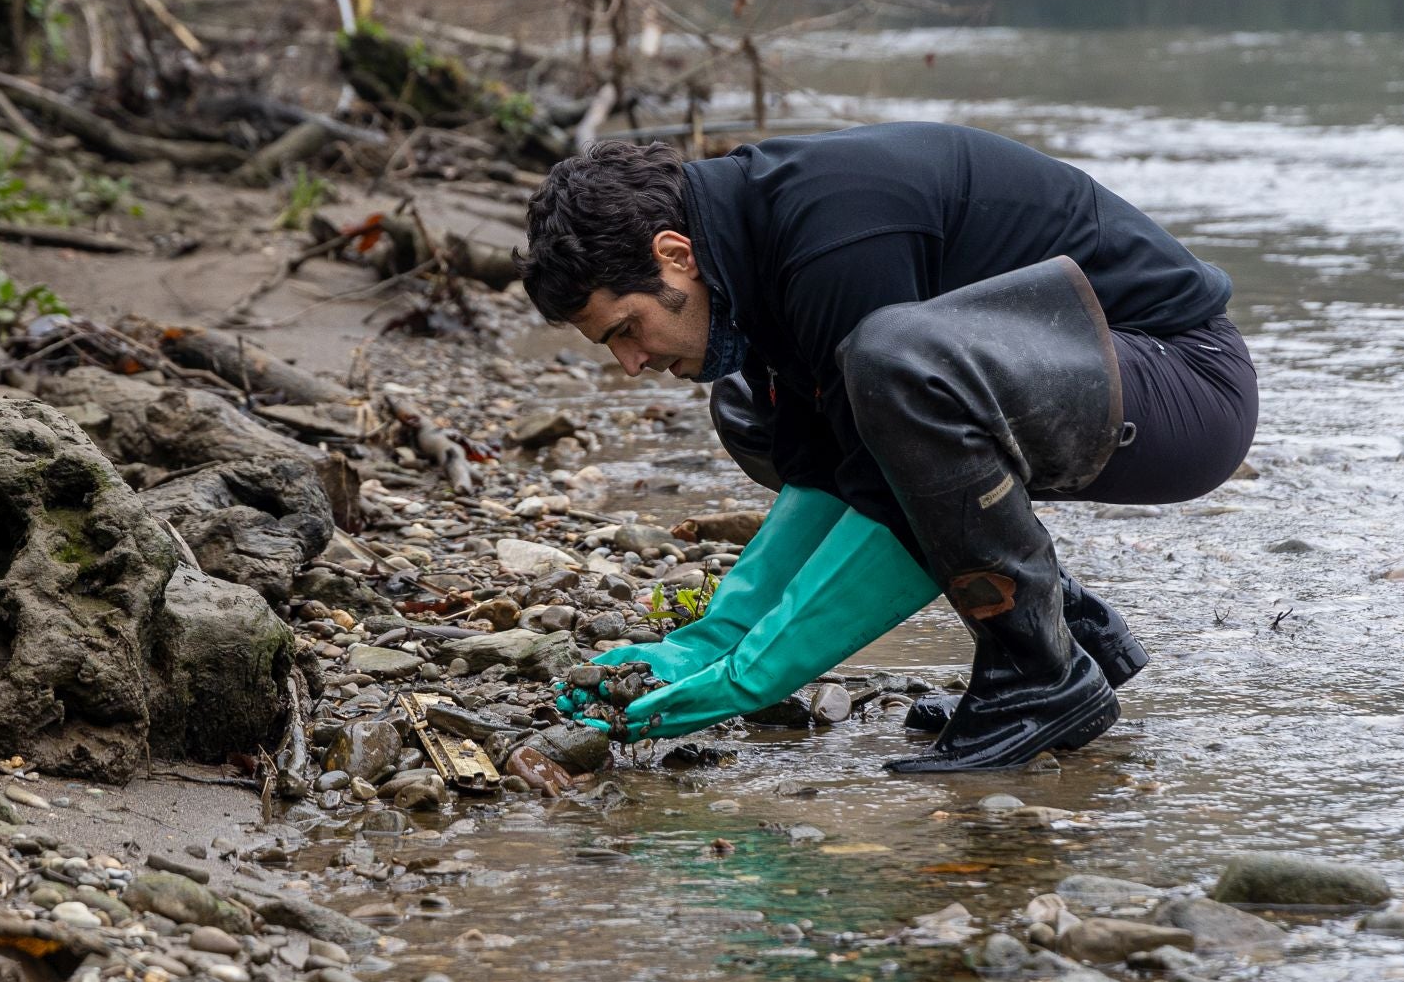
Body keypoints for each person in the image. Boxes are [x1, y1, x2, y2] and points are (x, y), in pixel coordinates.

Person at [518, 122, 1256, 772]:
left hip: (1183, 379)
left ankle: (1040, 677)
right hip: (1067, 376)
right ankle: (1060, 627)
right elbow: (825, 472)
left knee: (892, 362)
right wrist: (712, 639)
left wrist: (750, 675)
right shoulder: (752, 247)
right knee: (752, 404)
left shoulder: (830, 233)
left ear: (674, 253)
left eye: (624, 328)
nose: (631, 362)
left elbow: (892, 494)